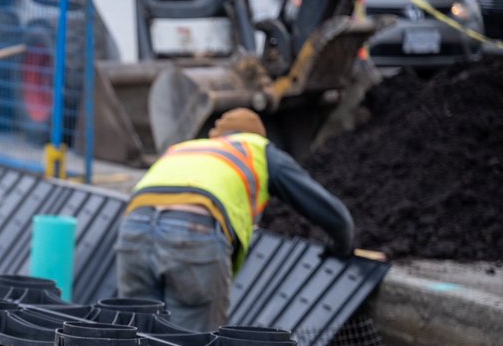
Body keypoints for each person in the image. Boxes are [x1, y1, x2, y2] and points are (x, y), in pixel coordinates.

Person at [115, 107, 354, 332]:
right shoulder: (258, 149)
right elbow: (327, 210)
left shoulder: (185, 147)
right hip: (192, 230)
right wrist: (343, 245)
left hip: (133, 229)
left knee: (138, 336)